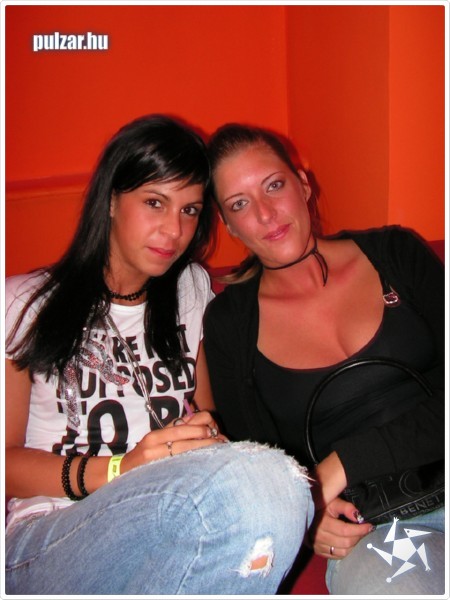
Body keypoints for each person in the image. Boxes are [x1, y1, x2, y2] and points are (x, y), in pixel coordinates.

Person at [4, 115, 314, 596]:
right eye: (155, 202)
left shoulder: (191, 291)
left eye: (190, 210)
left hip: (168, 524)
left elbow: (207, 416)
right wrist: (120, 469)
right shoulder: (25, 302)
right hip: (50, 538)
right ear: (111, 200)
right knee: (269, 480)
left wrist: (208, 438)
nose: (174, 230)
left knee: (271, 488)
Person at [203, 123, 445, 595]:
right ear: (228, 225)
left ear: (303, 184)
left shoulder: (396, 254)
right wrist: (304, 518)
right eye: (240, 204)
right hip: (377, 531)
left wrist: (338, 467)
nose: (266, 213)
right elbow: (261, 466)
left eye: (274, 185)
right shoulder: (231, 324)